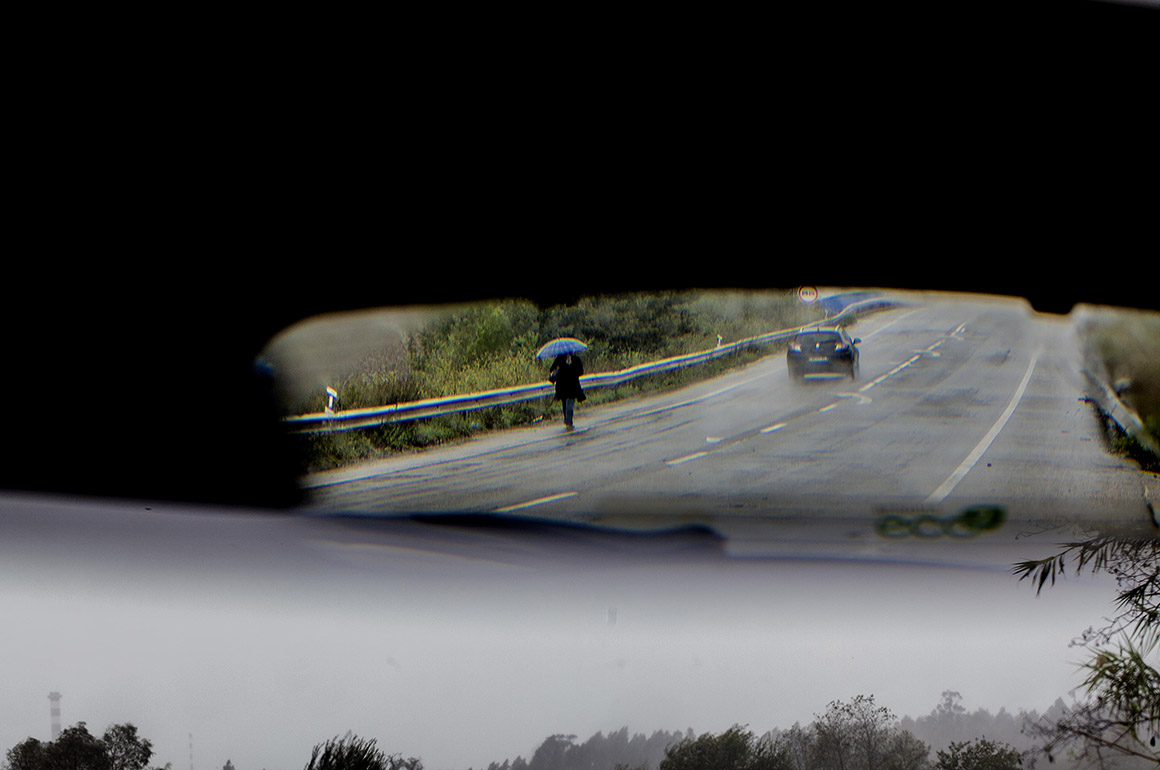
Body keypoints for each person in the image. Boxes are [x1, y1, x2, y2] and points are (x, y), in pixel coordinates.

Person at [548, 352, 586, 430]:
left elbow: (552, 369)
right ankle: (568, 421)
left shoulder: (559, 359)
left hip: (563, 386)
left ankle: (568, 421)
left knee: (565, 403)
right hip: (572, 385)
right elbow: (581, 372)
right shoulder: (576, 359)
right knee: (569, 404)